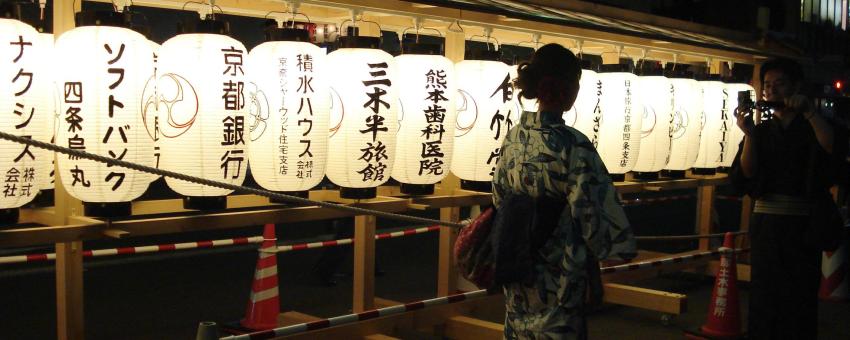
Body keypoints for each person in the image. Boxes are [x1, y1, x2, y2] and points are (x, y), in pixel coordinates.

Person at [492, 43, 637, 339]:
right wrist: (616, 247)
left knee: (519, 327)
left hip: (519, 260)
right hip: (559, 269)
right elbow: (592, 211)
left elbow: (498, 195)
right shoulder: (574, 146)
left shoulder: (514, 138)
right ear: (566, 88)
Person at [731, 58, 848, 339]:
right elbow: (746, 173)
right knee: (763, 295)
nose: (770, 91)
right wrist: (748, 135)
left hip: (802, 227)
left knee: (798, 298)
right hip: (765, 224)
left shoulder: (814, 124)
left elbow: (831, 148)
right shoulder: (761, 130)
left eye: (779, 84)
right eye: (767, 85)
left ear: (796, 87)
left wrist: (809, 113)